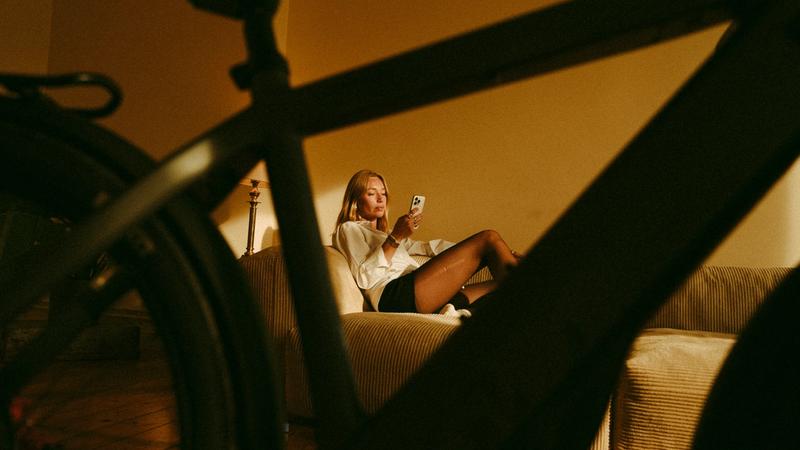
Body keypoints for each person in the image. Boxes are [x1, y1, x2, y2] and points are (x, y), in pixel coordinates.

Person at [332, 169, 521, 314]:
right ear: (356, 200)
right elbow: (365, 278)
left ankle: (452, 312)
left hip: (420, 293)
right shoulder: (349, 229)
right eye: (372, 193)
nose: (381, 198)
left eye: (383, 193)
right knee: (488, 237)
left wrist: (501, 252)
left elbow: (428, 247)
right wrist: (396, 237)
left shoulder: (384, 234)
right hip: (393, 296)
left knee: (501, 282)